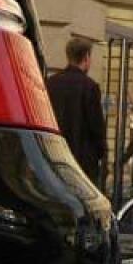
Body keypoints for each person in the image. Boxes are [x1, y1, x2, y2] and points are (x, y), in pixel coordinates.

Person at [45, 37, 107, 186]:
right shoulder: (90, 87)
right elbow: (96, 127)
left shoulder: (50, 84)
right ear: (86, 57)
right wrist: (101, 153)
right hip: (82, 163)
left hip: (54, 158)